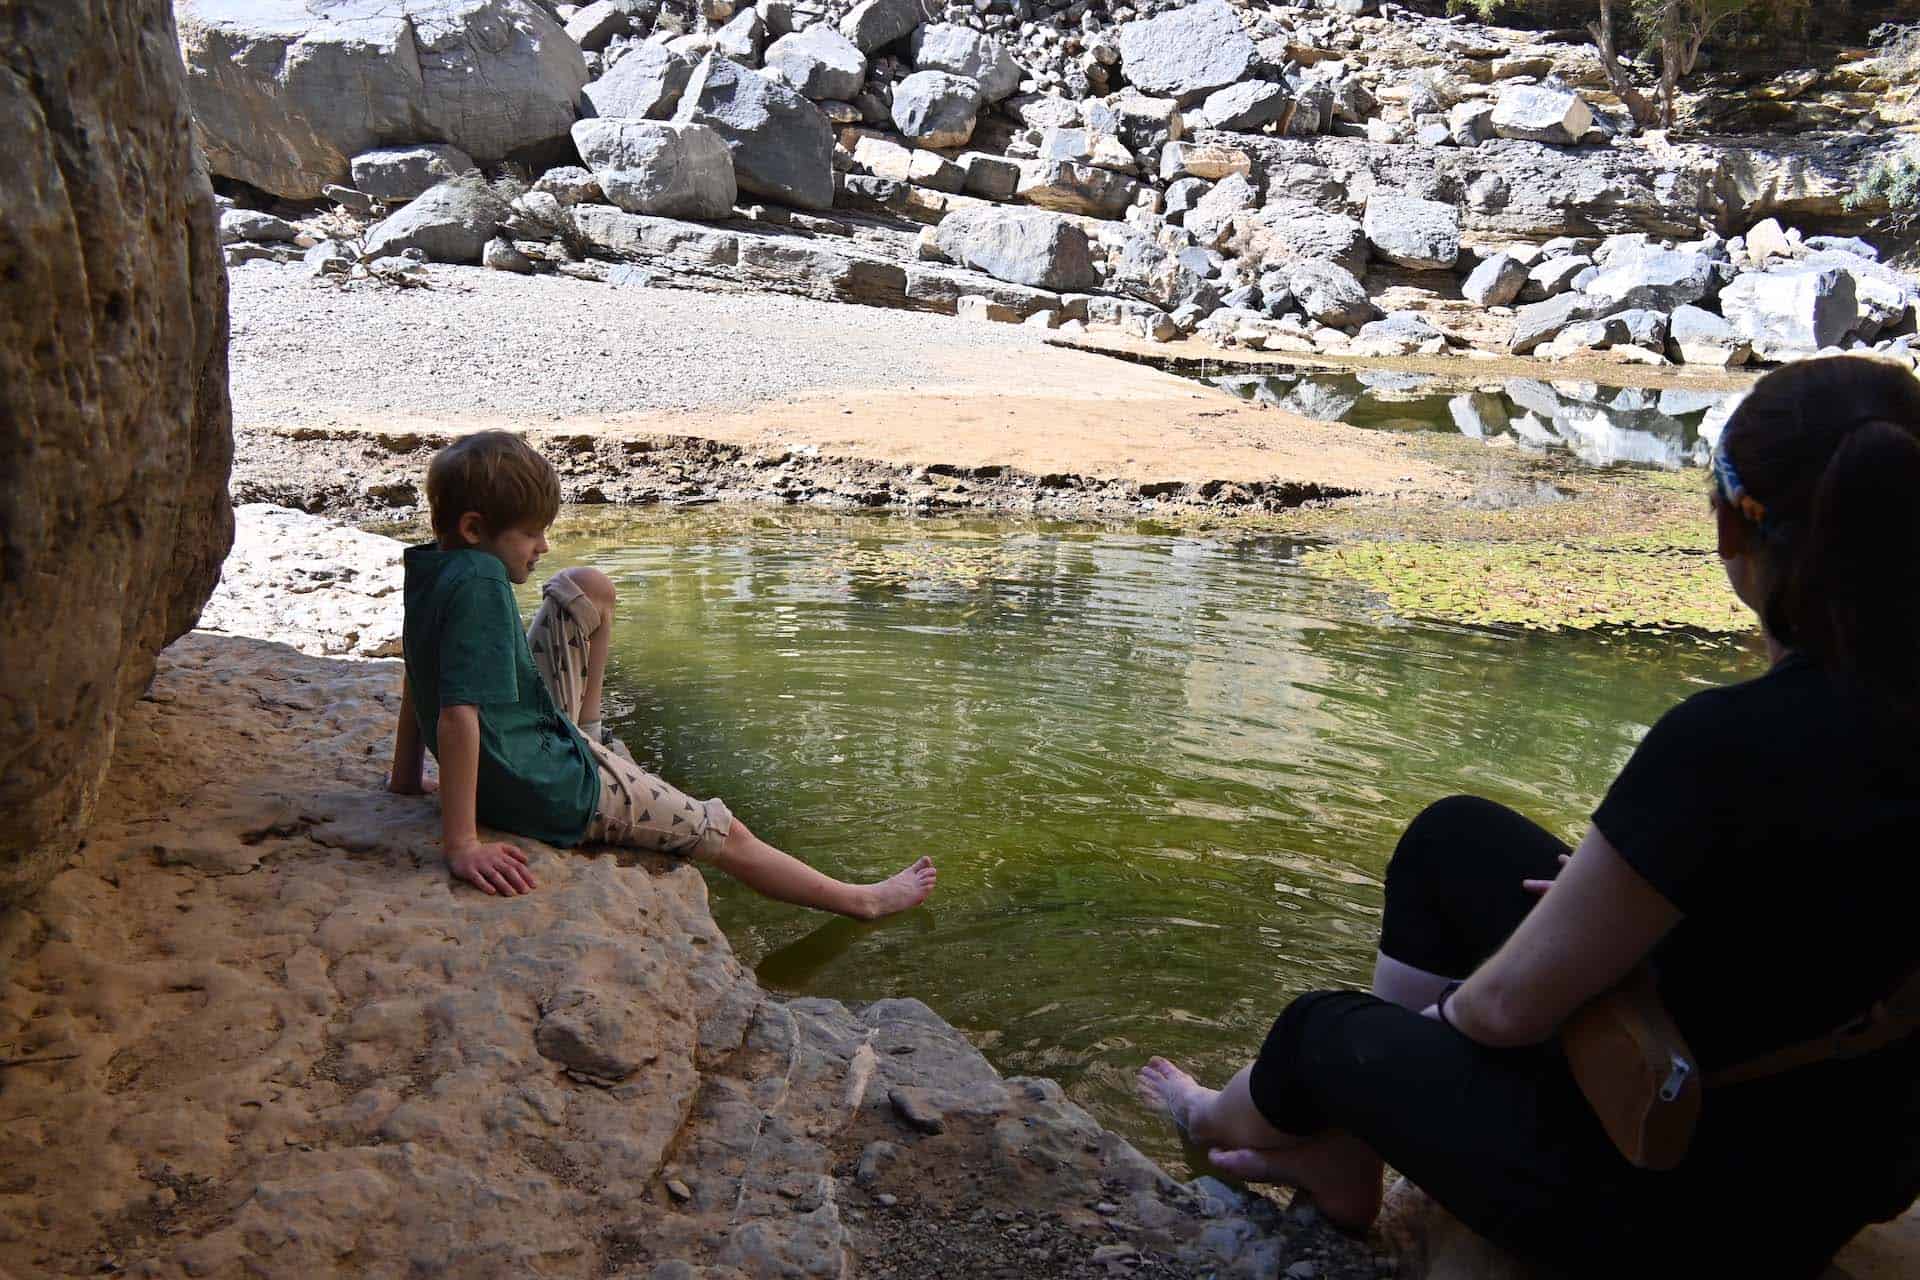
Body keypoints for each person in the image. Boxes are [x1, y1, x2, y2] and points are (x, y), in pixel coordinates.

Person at [1137, 356, 1920, 1276]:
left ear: (1729, 527)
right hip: (1841, 1161)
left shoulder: (1727, 743)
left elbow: (1506, 1011)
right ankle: (1355, 1146)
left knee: (1321, 1028)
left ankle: (1229, 1116)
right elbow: (1823, 917)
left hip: (1671, 1194)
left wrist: (1426, 1030)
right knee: (1455, 839)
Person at [387, 429, 938, 918]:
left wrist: (406, 779)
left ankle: (591, 736)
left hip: (533, 740)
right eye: (531, 535)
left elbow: (420, 671)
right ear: (475, 527)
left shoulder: (434, 567)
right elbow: (459, 713)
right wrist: (461, 841)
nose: (543, 547)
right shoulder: (482, 587)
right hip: (550, 787)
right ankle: (860, 901)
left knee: (588, 588)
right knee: (724, 831)